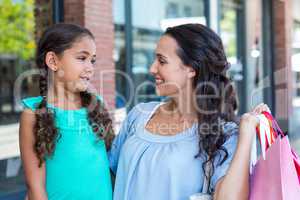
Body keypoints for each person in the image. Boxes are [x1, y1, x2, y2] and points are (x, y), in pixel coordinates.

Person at [109, 23, 270, 200]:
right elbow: (110, 174)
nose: (152, 68)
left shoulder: (224, 134)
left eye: (162, 61)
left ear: (191, 69)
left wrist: (246, 134)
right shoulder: (139, 114)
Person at [19, 23, 114, 200]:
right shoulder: (32, 114)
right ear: (53, 61)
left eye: (92, 60)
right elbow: (35, 188)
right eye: (81, 58)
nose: (90, 68)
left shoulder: (96, 105)